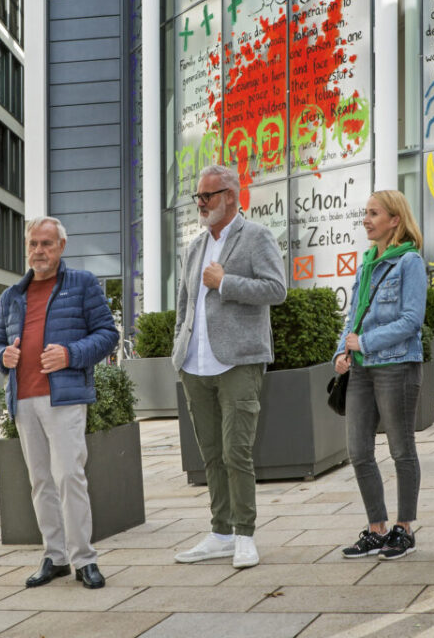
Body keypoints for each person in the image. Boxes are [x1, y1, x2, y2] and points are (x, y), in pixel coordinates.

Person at [0, 217, 119, 590]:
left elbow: (108, 335)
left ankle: (84, 559)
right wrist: (4, 358)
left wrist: (69, 354)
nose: (39, 251)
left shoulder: (82, 284)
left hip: (64, 398)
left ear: (62, 246)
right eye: (33, 244)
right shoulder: (11, 295)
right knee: (41, 482)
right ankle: (55, 556)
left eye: (47, 243)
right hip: (24, 400)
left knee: (69, 477)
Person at [172, 164, 287, 569]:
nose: (200, 204)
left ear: (230, 196)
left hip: (238, 361)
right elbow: (184, 305)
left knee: (237, 452)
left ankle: (244, 534)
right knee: (211, 454)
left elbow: (277, 290)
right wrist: (178, 352)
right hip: (195, 364)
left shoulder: (256, 237)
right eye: (198, 197)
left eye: (207, 196)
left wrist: (225, 282)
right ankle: (220, 531)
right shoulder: (194, 247)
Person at [333, 190, 427, 561]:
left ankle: (404, 530)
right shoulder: (367, 262)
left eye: (374, 213)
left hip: (397, 365)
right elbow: (352, 317)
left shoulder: (409, 263)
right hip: (361, 369)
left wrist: (364, 342)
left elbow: (411, 321)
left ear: (395, 220)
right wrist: (342, 351)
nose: (366, 220)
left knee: (401, 450)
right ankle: (377, 529)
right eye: (365, 212)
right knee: (358, 451)